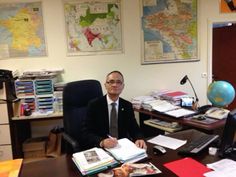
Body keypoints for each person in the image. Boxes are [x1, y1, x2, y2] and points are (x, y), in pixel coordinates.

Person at [81, 70, 147, 150]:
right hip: (101, 148)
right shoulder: (94, 105)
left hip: (122, 147)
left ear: (123, 86)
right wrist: (102, 142)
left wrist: (139, 138)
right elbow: (86, 132)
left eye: (118, 82)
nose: (115, 85)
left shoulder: (127, 105)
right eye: (111, 82)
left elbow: (134, 128)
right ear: (105, 85)